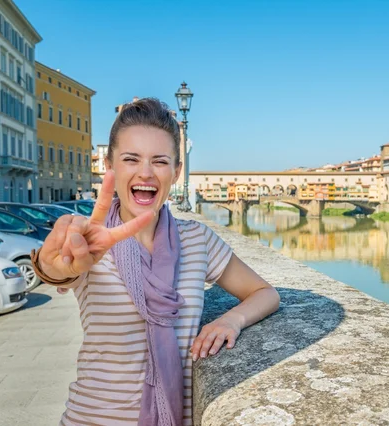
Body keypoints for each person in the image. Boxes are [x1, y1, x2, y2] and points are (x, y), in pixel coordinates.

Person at [32, 98, 280, 426]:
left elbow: (265, 292)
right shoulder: (91, 240)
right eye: (131, 159)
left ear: (176, 171)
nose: (145, 172)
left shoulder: (197, 240)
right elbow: (58, 272)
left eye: (160, 161)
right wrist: (54, 267)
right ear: (111, 167)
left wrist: (231, 320)